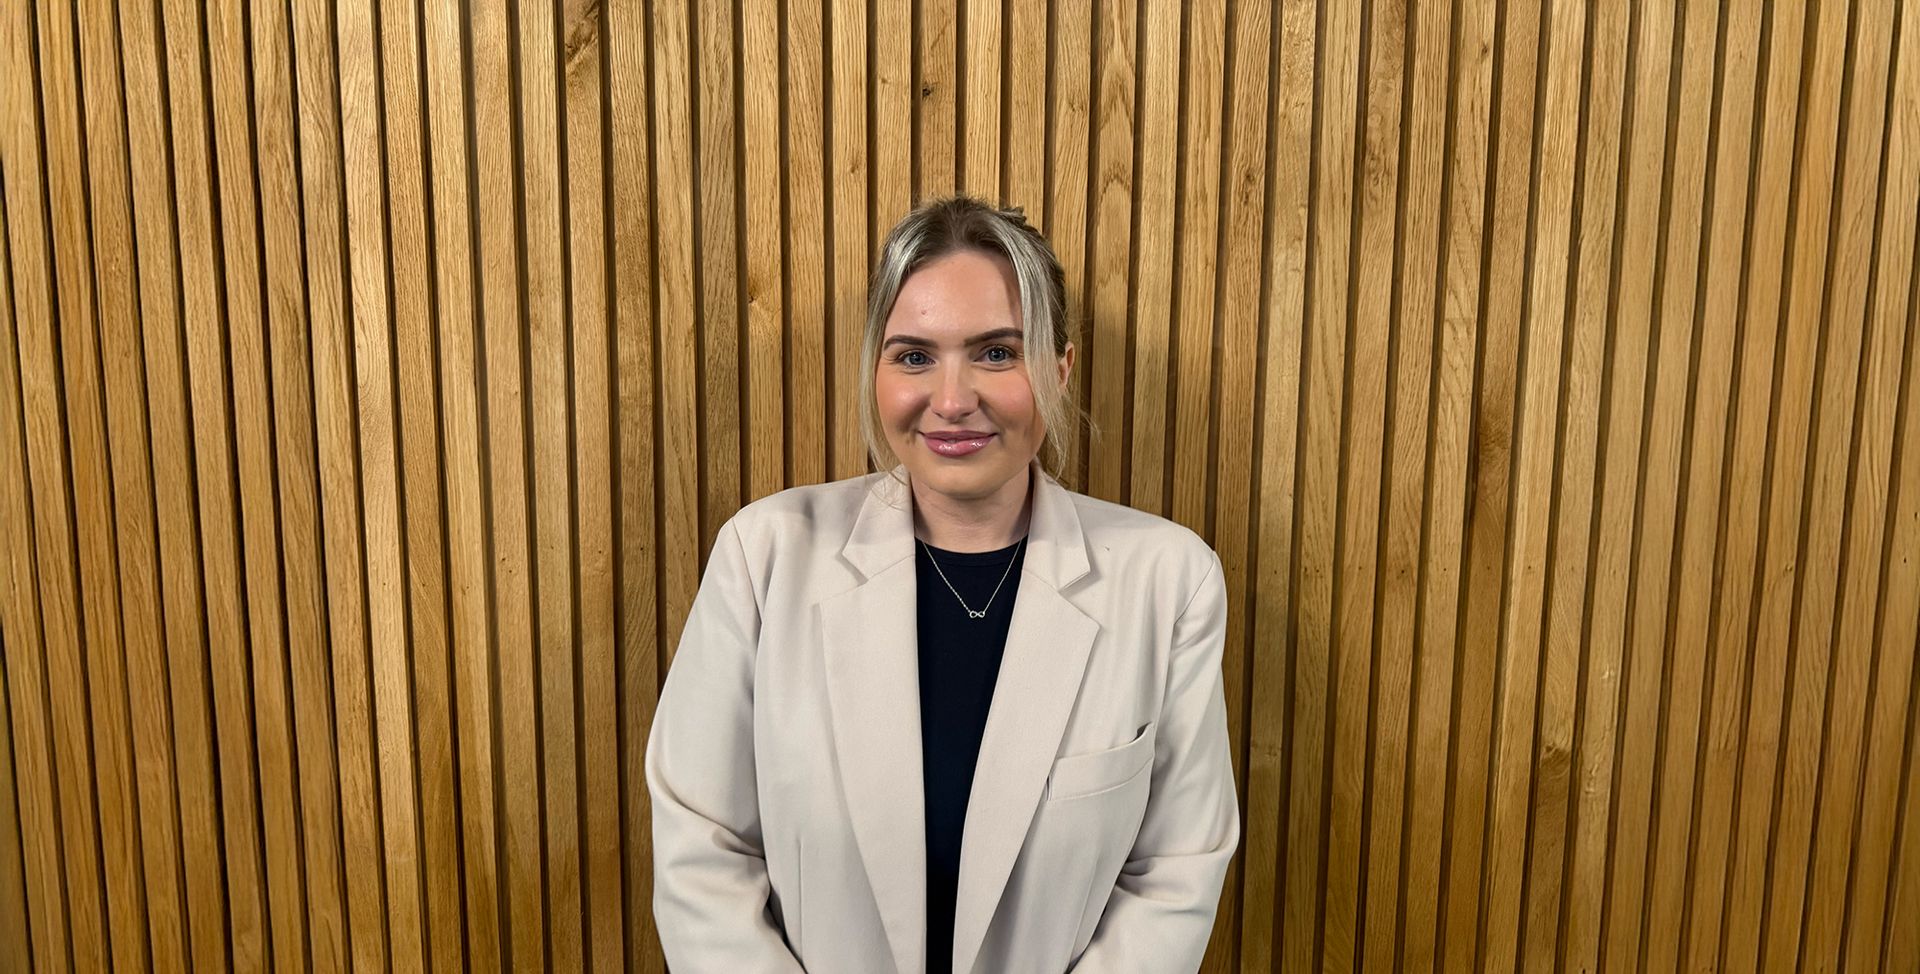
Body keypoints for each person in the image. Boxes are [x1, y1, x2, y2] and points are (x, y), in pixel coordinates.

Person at [646, 196, 1239, 973]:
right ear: (877, 371)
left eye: (997, 353)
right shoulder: (764, 557)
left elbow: (1175, 872)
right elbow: (701, 850)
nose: (953, 400)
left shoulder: (1167, 581)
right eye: (914, 356)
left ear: (1058, 369)